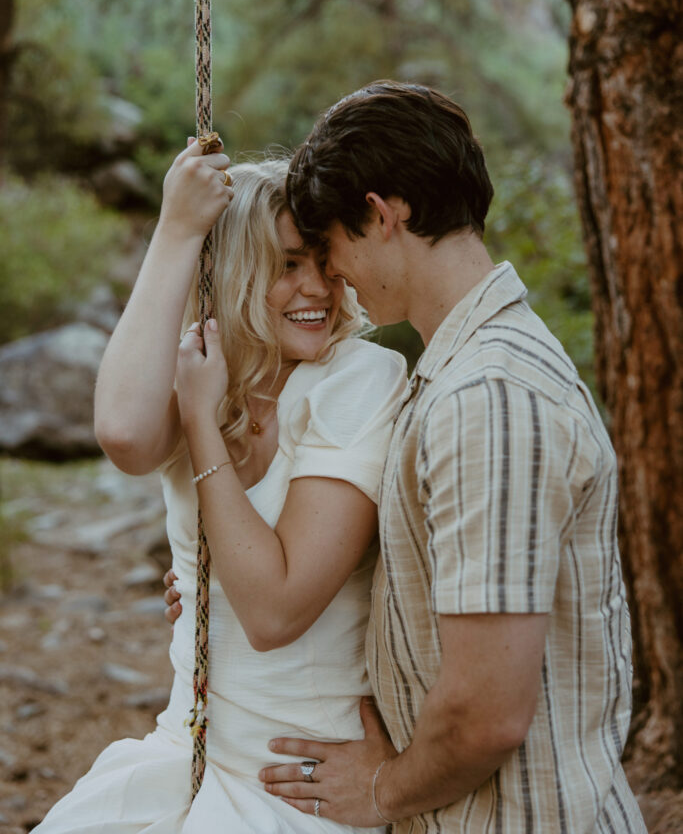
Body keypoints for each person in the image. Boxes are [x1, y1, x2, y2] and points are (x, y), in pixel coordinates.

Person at [259, 81, 646, 832]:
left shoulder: (488, 398)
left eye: (332, 247)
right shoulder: (456, 373)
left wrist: (381, 793)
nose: (332, 276)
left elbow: (485, 714)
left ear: (380, 214)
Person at [33, 142, 407, 833]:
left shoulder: (358, 377)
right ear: (235, 271)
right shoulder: (202, 374)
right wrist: (176, 229)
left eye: (325, 263)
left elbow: (272, 615)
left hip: (297, 775)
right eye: (287, 266)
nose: (318, 289)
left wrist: (201, 424)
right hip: (187, 748)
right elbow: (121, 434)